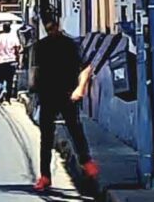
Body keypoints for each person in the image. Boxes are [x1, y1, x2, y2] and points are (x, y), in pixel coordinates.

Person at [33, 12, 99, 192]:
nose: (51, 29)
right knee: (47, 138)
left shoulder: (70, 45)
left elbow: (86, 68)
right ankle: (45, 176)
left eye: (52, 25)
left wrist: (80, 88)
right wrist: (35, 92)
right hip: (48, 96)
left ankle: (87, 163)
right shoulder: (41, 46)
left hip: (67, 94)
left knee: (75, 130)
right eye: (48, 26)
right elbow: (37, 71)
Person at [0, 23, 20, 105]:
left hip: (0, 61)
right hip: (11, 60)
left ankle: (2, 89)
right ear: (10, 29)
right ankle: (8, 99)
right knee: (10, 80)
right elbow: (17, 49)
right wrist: (18, 60)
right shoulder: (14, 37)